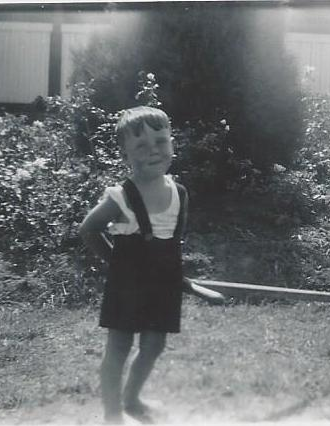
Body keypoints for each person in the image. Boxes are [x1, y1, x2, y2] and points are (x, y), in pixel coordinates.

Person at [79, 106, 223, 424]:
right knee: (118, 347)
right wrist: (114, 261)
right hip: (126, 285)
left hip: (162, 285)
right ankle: (112, 413)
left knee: (154, 344)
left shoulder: (179, 194)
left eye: (160, 141)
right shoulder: (121, 197)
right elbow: (88, 229)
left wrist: (178, 277)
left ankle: (132, 398)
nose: (153, 151)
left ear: (171, 143)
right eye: (141, 146)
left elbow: (173, 242)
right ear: (125, 155)